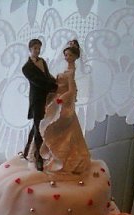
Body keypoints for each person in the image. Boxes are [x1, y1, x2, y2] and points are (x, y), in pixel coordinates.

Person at [39, 44, 90, 174]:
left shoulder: (71, 72)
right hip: (57, 100)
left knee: (58, 128)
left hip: (62, 103)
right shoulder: (67, 70)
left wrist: (61, 99)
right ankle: (53, 155)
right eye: (66, 55)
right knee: (53, 126)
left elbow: (71, 90)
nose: (67, 57)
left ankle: (63, 158)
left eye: (70, 55)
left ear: (76, 57)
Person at [22, 38, 57, 171]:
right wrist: (53, 87)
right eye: (35, 48)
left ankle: (27, 151)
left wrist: (57, 81)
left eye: (39, 48)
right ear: (30, 49)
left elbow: (47, 76)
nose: (37, 51)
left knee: (37, 126)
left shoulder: (42, 61)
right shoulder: (26, 68)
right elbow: (39, 81)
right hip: (37, 100)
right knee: (38, 127)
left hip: (47, 97)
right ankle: (38, 157)